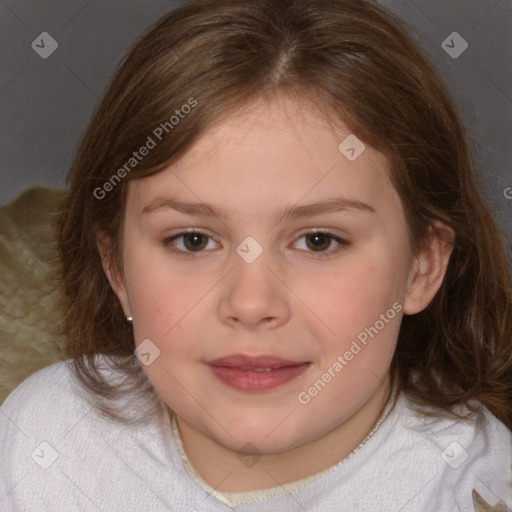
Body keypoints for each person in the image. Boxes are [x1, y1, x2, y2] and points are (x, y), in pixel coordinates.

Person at [1, 0, 511, 510]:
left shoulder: (480, 490)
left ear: (421, 267)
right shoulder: (47, 441)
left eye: (318, 241)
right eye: (193, 240)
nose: (250, 303)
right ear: (117, 271)